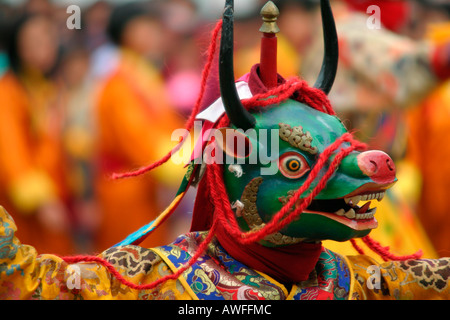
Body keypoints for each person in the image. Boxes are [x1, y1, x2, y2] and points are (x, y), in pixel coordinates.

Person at [92, 2, 186, 252]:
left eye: (154, 28)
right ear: (125, 33)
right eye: (145, 28)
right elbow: (138, 141)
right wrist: (182, 159)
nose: (154, 35)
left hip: (147, 185)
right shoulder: (119, 85)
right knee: (127, 263)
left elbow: (167, 125)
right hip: (126, 188)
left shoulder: (143, 76)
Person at [0, 12, 75, 255]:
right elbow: (12, 154)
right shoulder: (8, 92)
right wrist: (41, 201)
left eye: (47, 39)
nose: (43, 48)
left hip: (59, 198)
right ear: (17, 47)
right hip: (28, 210)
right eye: (33, 42)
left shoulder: (50, 88)